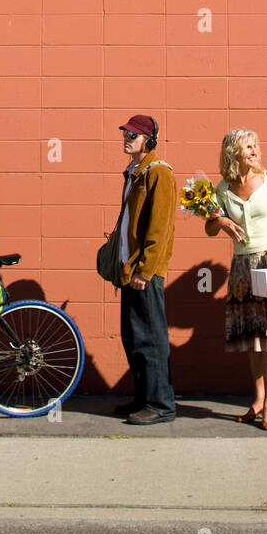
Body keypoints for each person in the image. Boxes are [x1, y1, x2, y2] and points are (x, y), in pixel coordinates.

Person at [205, 129, 267, 430]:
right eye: (247, 147)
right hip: (242, 269)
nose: (254, 150)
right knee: (251, 337)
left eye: (255, 145)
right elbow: (209, 230)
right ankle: (258, 398)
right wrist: (220, 220)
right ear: (233, 152)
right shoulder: (222, 188)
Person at [114, 114, 178, 425]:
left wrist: (145, 270)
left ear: (149, 141)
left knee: (151, 339)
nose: (128, 138)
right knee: (133, 337)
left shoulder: (159, 173)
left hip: (145, 274)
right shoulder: (134, 173)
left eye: (134, 135)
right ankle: (143, 398)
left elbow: (160, 228)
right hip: (130, 271)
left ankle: (161, 405)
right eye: (126, 133)